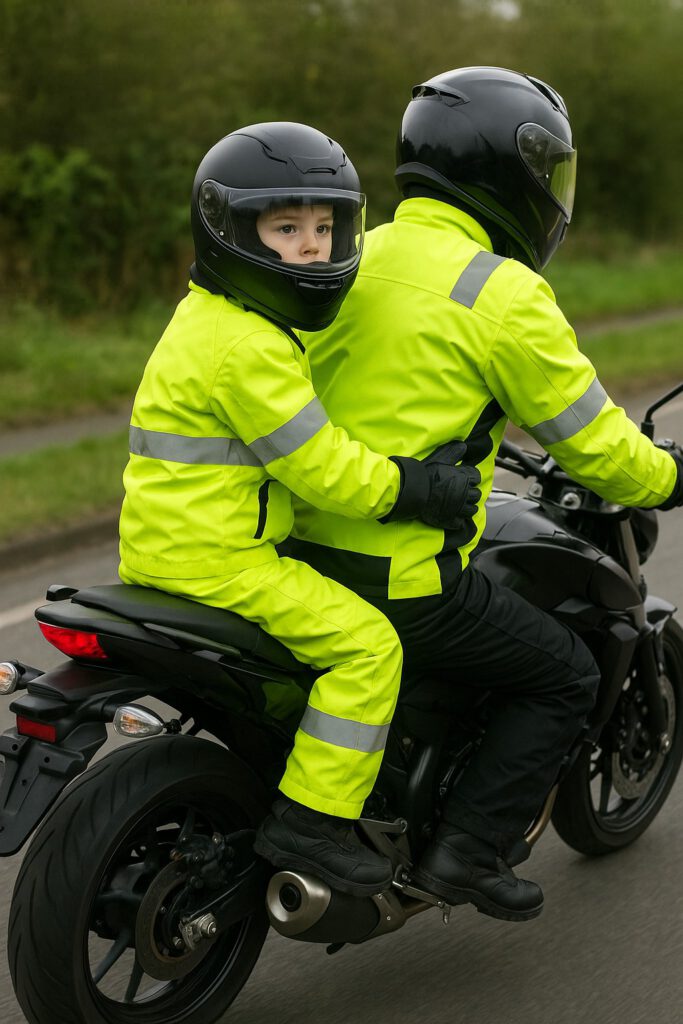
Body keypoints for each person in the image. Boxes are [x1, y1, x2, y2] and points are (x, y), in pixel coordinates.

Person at [289, 68, 683, 921]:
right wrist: (671, 475)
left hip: (283, 549)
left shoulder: (350, 254)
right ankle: (464, 854)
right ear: (513, 171)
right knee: (563, 673)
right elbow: (592, 442)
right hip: (394, 573)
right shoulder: (500, 293)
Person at [117, 121, 481, 897]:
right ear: (229, 230)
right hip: (223, 562)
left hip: (165, 547)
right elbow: (324, 471)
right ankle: (312, 824)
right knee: (369, 649)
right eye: (286, 229)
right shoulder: (249, 348)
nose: (313, 247)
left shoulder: (208, 317)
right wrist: (417, 486)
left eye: (325, 227)